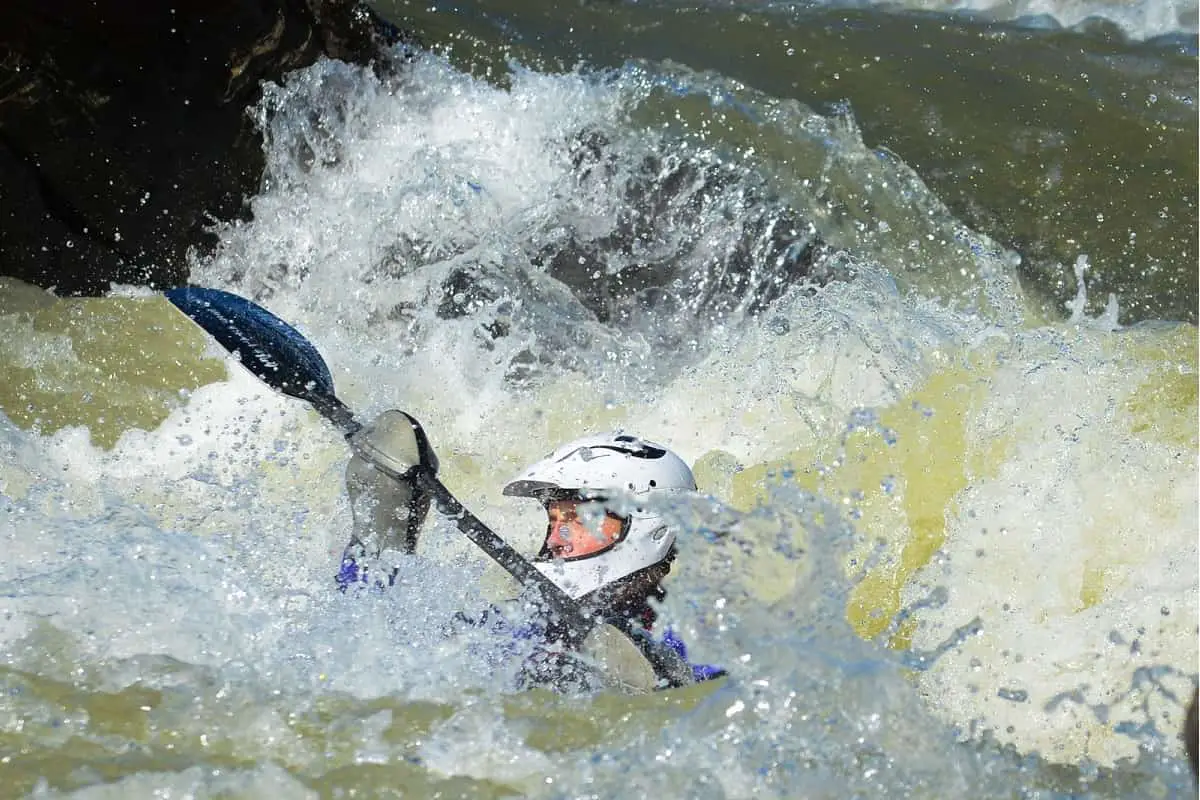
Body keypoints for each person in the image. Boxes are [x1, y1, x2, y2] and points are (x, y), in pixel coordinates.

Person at [334, 411, 725, 692]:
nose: (556, 540)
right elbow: (368, 645)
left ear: (648, 528)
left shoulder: (698, 644)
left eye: (578, 521)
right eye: (554, 521)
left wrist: (652, 678)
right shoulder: (514, 621)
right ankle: (381, 546)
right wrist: (383, 535)